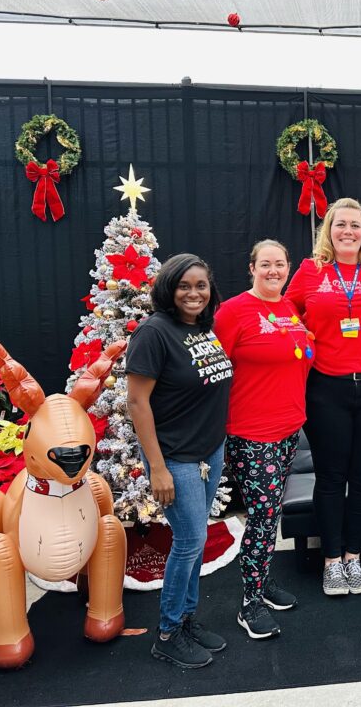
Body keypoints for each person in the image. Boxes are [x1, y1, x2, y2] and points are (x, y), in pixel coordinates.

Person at [284, 198, 361, 596]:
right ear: (328, 231)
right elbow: (286, 313)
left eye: (355, 225)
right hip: (327, 389)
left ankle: (354, 556)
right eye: (340, 225)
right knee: (331, 478)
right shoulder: (310, 270)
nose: (348, 231)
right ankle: (331, 561)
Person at [127, 253, 233, 668]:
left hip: (208, 450)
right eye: (184, 286)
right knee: (189, 542)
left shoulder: (202, 329)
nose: (194, 293)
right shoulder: (154, 332)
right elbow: (137, 402)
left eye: (201, 286)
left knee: (197, 539)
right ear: (169, 288)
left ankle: (187, 619)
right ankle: (168, 632)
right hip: (174, 457)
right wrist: (157, 466)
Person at [214, 239, 313, 640]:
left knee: (270, 514)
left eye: (280, 264)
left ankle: (264, 582)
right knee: (262, 516)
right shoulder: (234, 311)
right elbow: (214, 372)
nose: (273, 271)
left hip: (289, 428)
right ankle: (249, 604)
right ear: (251, 268)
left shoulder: (289, 308)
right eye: (265, 264)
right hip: (252, 433)